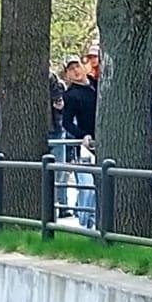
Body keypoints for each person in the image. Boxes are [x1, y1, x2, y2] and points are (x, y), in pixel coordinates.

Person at [61, 57, 97, 229]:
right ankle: (85, 222)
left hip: (104, 136)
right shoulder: (70, 95)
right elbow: (67, 122)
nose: (76, 71)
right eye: (71, 69)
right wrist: (83, 136)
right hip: (87, 143)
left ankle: (95, 220)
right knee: (87, 185)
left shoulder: (98, 85)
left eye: (77, 66)